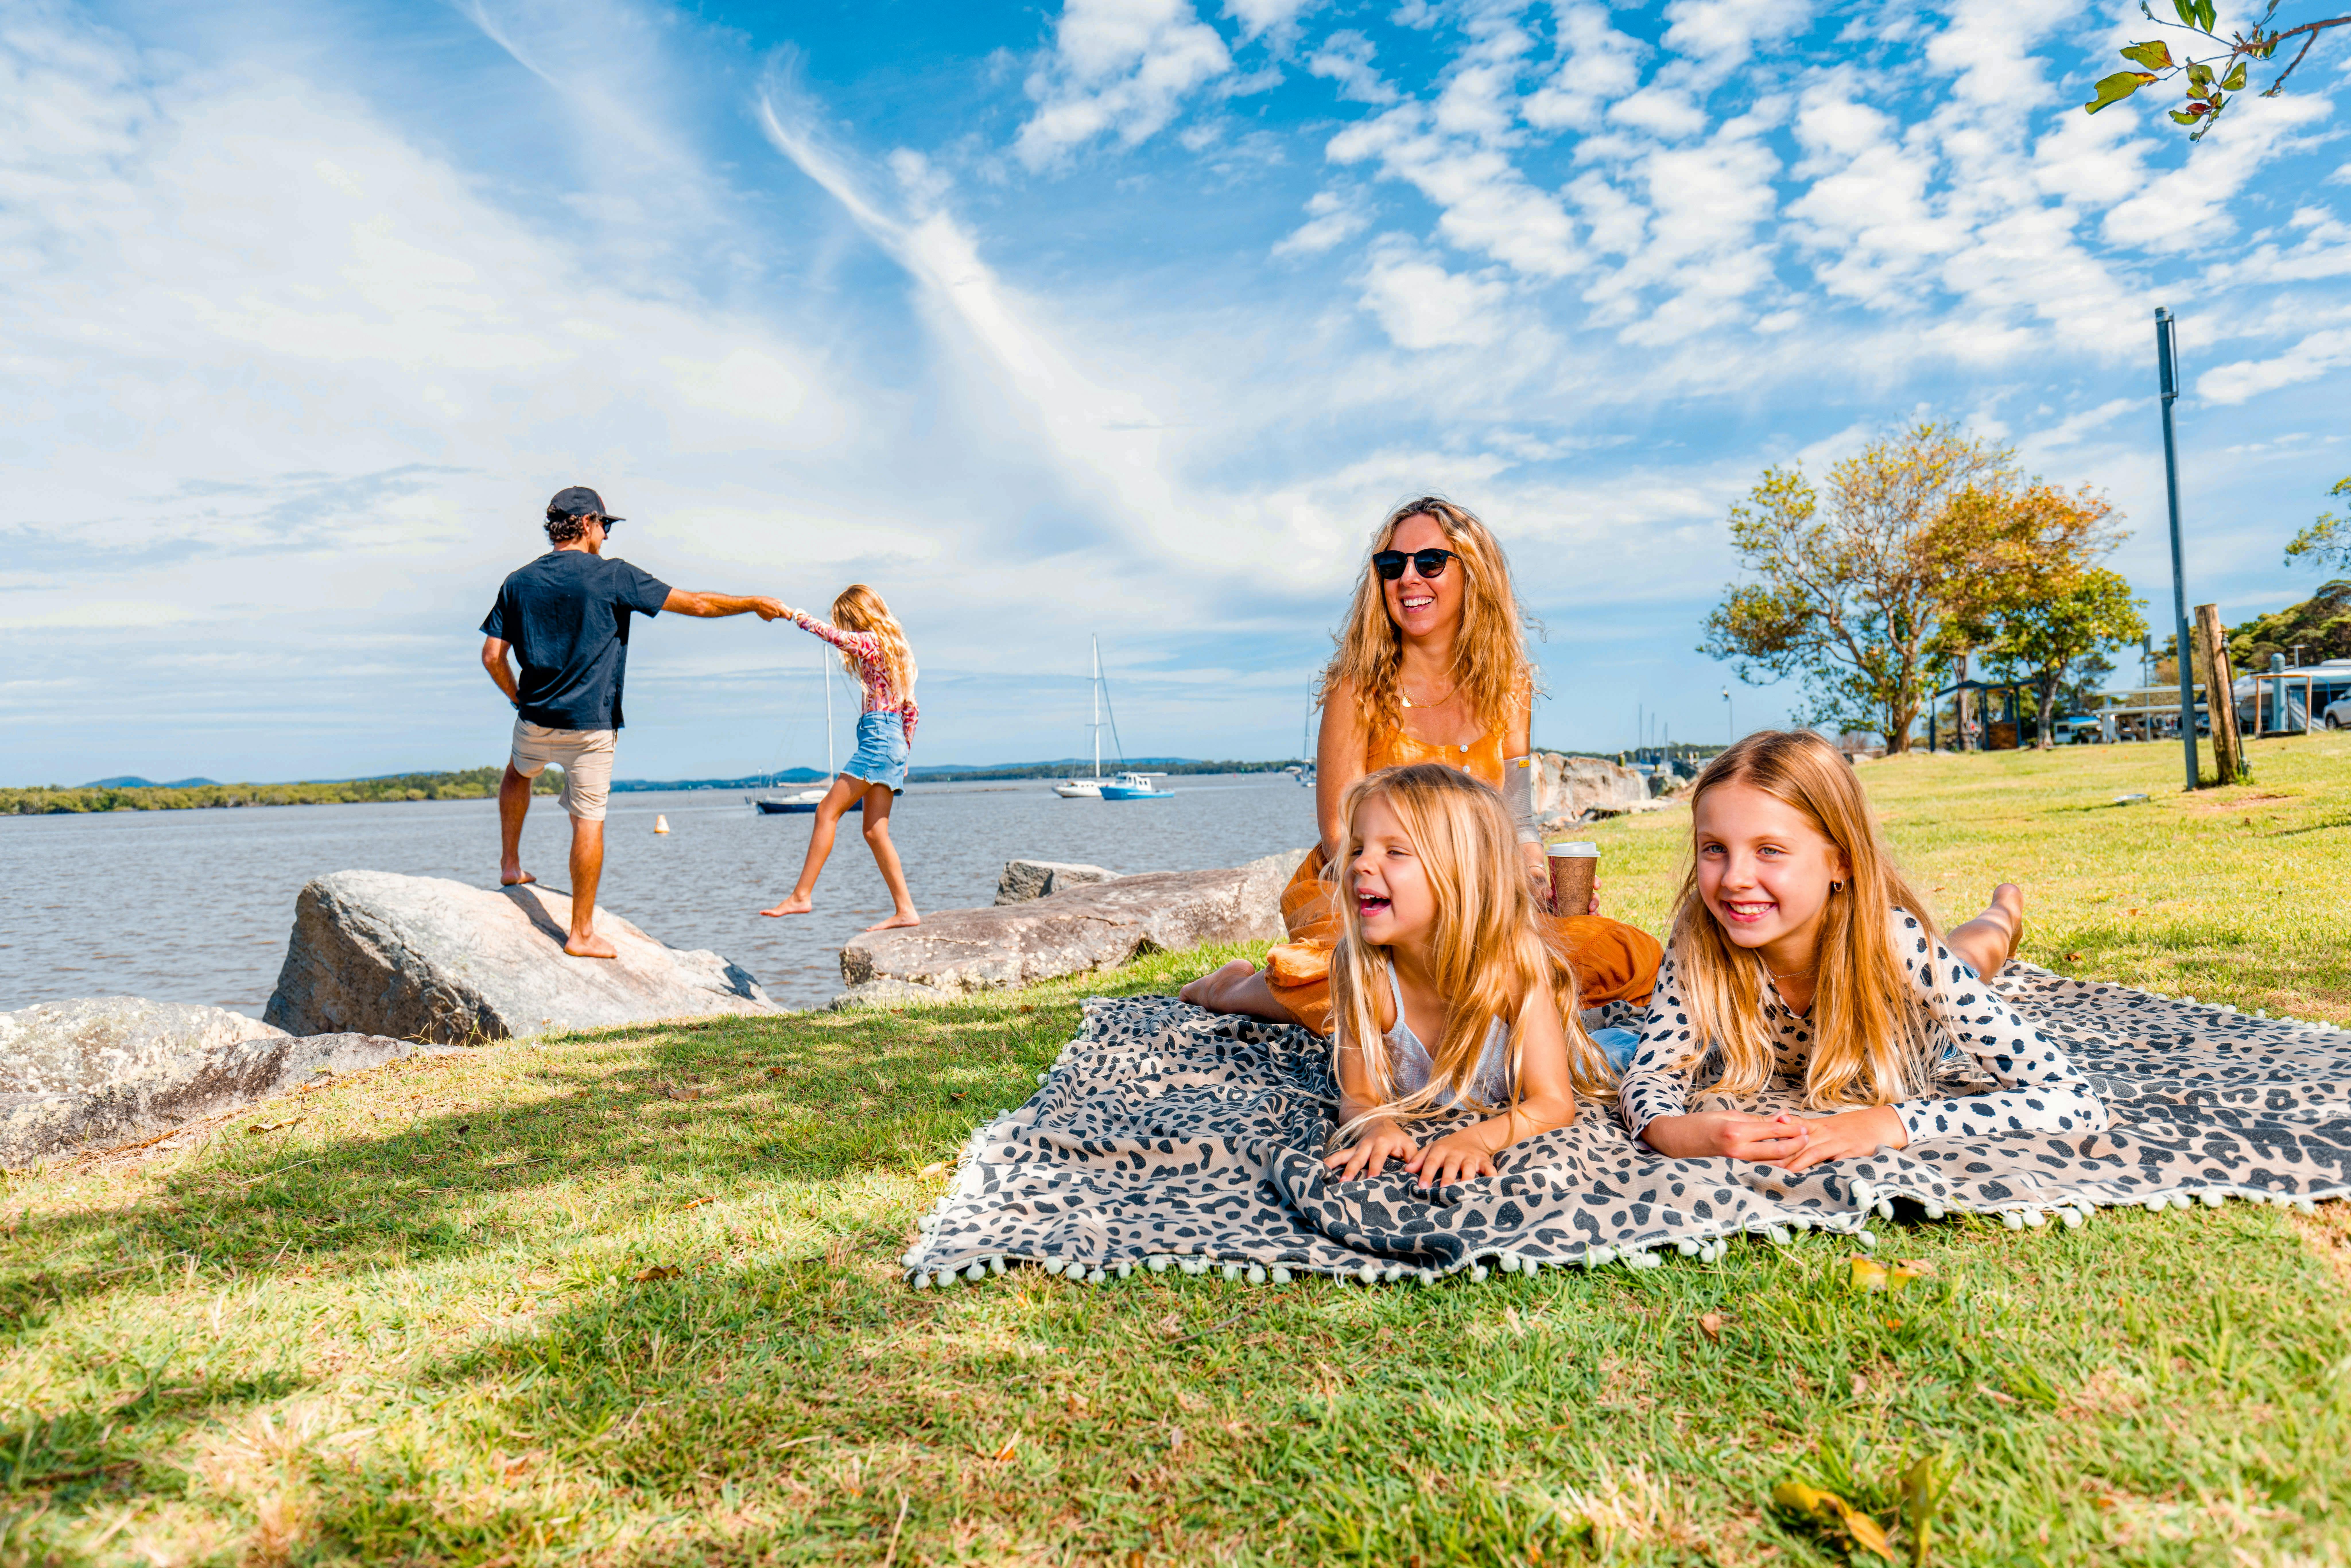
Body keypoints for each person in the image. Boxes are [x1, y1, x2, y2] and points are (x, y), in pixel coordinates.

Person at [1181, 495, 1664, 1032]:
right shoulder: (1357, 686)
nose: (1408, 578)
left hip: (1477, 895)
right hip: (1362, 884)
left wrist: (1535, 883)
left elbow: (1518, 821)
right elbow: (1342, 835)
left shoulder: (1509, 686)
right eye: (1393, 566)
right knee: (1360, 981)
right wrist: (1427, 896)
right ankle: (1230, 987)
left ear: (1472, 573)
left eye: (1429, 562)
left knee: (1628, 957)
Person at [1621, 729, 2105, 1172]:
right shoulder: (1701, 932)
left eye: (1769, 849)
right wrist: (1669, 1128)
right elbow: (1652, 1069)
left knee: (1975, 953)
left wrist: (1889, 1123)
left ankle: (2005, 909)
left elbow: (2075, 1100)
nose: (1734, 879)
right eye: (1714, 848)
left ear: (1841, 861)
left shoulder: (1897, 943)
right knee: (1961, 953)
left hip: (1921, 1019)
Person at [480, 486, 784, 958]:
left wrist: (517, 695)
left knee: (518, 772)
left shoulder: (517, 581)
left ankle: (510, 864)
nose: (607, 534)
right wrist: (754, 602)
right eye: (606, 525)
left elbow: (492, 656)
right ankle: (580, 934)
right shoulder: (614, 575)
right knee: (588, 818)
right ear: (586, 524)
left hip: (535, 716)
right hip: (591, 726)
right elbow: (699, 604)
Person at [1321, 765, 1622, 1189]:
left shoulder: (1514, 968)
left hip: (1588, 1059)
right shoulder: (1362, 969)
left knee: (1623, 1054)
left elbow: (1554, 1103)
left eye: (1395, 852)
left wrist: (1475, 1139)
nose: (1361, 865)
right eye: (1357, 849)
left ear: (1463, 876)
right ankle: (1220, 985)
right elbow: (1359, 1098)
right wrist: (1376, 1127)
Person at [758, 585, 923, 932]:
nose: (846, 630)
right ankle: (905, 909)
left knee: (825, 812)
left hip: (879, 739)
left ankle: (801, 896)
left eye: (847, 622)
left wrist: (795, 616)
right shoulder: (897, 651)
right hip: (892, 742)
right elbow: (912, 709)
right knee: (876, 833)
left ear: (857, 617)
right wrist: (903, 752)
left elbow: (834, 638)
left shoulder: (872, 642)